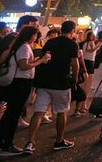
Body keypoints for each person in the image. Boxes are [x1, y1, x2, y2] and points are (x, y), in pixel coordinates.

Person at [24, 21, 80, 154]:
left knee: (38, 112)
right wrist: (74, 80)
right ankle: (59, 140)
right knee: (61, 112)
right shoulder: (72, 44)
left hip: (45, 82)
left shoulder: (51, 42)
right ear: (72, 30)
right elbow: (75, 65)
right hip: (61, 83)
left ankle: (30, 143)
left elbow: (43, 57)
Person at [0, 26, 49, 158]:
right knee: (13, 114)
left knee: (10, 113)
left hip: (18, 82)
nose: (36, 37)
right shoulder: (24, 47)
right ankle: (6, 145)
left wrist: (36, 60)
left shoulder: (19, 46)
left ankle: (0, 143)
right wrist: (40, 61)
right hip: (20, 83)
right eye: (35, 35)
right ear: (30, 36)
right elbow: (24, 65)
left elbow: (24, 63)